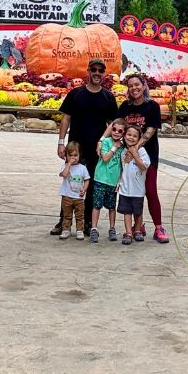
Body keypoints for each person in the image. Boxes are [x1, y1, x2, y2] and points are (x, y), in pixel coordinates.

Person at [52, 58, 118, 236]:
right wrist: (61, 143)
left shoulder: (108, 97)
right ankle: (63, 222)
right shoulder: (76, 94)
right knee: (69, 184)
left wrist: (111, 147)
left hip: (96, 149)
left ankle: (87, 222)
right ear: (88, 71)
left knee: (90, 185)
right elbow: (66, 118)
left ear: (103, 74)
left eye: (100, 71)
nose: (97, 73)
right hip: (75, 149)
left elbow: (112, 124)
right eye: (94, 70)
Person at [116, 73, 169, 244]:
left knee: (150, 191)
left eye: (137, 84)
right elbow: (116, 126)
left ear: (144, 85)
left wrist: (134, 149)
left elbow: (150, 131)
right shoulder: (124, 107)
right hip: (127, 158)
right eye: (130, 85)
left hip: (148, 156)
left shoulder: (152, 106)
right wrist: (104, 141)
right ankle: (139, 225)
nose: (134, 88)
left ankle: (159, 227)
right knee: (131, 191)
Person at [90, 118, 127, 243]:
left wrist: (119, 181)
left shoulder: (123, 147)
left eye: (120, 131)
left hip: (113, 181)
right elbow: (105, 158)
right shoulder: (105, 142)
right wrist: (114, 148)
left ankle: (112, 228)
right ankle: (94, 228)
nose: (116, 132)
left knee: (112, 206)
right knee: (97, 205)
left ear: (123, 133)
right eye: (114, 129)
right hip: (101, 178)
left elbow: (122, 165)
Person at [117, 124, 150, 245]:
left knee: (138, 212)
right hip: (125, 188)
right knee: (127, 212)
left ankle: (137, 230)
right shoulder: (123, 151)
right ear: (124, 135)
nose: (131, 137)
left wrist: (135, 154)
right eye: (129, 134)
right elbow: (122, 169)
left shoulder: (142, 151)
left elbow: (143, 167)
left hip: (138, 189)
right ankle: (128, 232)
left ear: (139, 138)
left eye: (135, 136)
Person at [58, 141, 89, 240]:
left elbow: (87, 180)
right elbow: (65, 175)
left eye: (76, 155)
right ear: (66, 156)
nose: (73, 158)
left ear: (79, 155)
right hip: (67, 196)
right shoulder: (65, 166)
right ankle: (66, 229)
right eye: (70, 155)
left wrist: (84, 189)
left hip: (78, 197)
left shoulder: (83, 168)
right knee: (67, 215)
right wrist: (69, 164)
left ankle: (80, 230)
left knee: (80, 215)